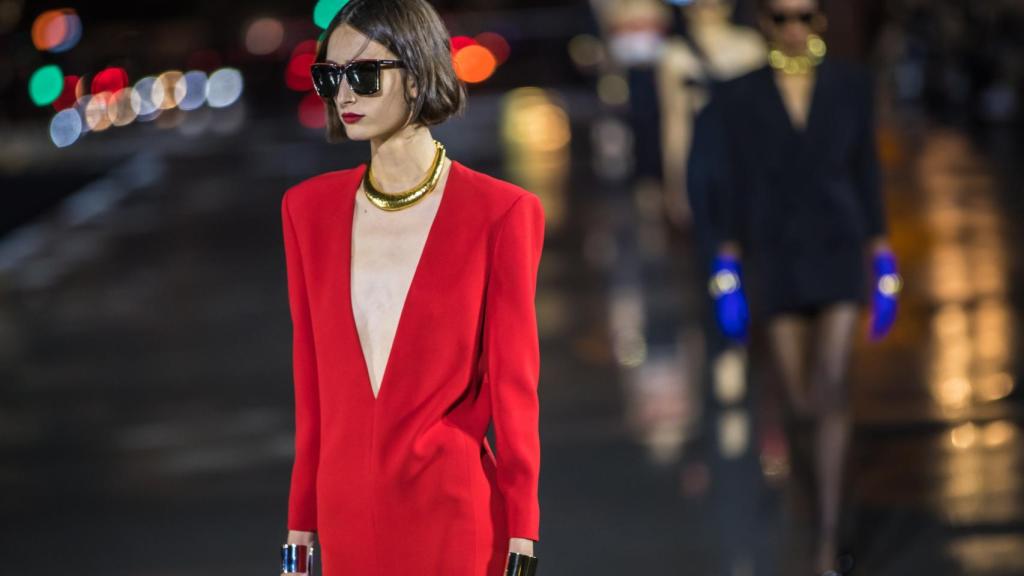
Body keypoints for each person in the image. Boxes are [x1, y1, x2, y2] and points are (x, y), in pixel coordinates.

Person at [278, 1, 544, 575]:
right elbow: (312, 390)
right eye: (330, 77)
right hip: (345, 514)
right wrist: (300, 531)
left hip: (454, 516)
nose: (345, 94)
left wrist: (524, 532)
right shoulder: (308, 212)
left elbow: (515, 389)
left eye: (365, 75)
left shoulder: (500, 214)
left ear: (419, 74)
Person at [689, 0, 900, 574]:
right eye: (783, 17)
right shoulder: (740, 95)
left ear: (820, 22)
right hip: (774, 252)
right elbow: (726, 179)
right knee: (799, 402)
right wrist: (726, 259)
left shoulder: (851, 86)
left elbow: (866, 171)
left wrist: (882, 253)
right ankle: (815, 507)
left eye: (804, 16)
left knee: (831, 383)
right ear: (765, 24)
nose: (794, 28)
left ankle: (827, 540)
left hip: (838, 246)